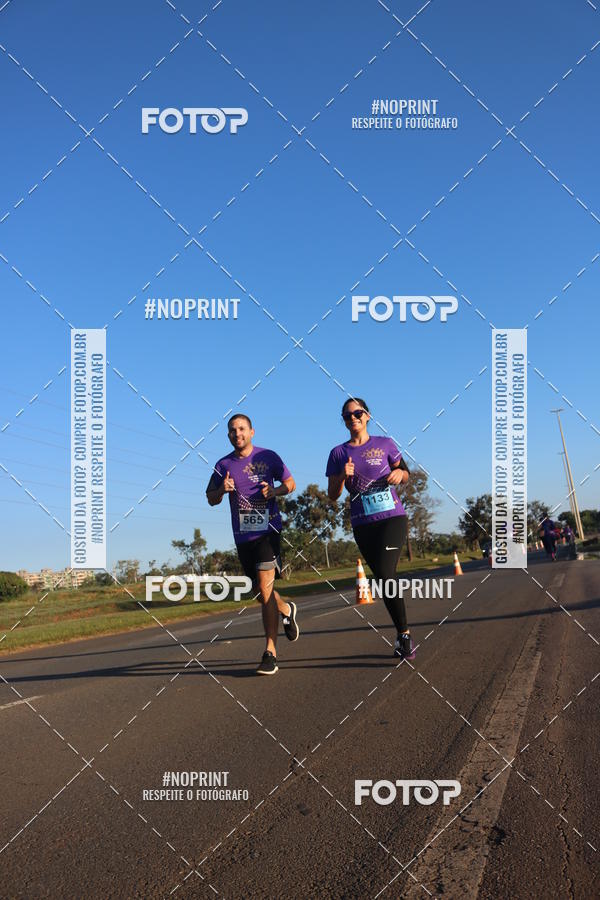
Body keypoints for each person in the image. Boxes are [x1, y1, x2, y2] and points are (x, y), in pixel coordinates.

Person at [206, 414, 299, 675]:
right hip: (242, 536)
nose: (238, 434)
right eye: (233, 430)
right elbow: (210, 499)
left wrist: (275, 491)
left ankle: (270, 652)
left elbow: (290, 483)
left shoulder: (268, 457)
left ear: (252, 432)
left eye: (242, 429)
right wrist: (221, 489)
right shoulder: (222, 464)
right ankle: (287, 609)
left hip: (268, 532)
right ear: (228, 436)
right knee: (260, 592)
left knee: (265, 588)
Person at [326, 397, 414, 660]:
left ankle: (405, 636)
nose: (353, 418)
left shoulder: (385, 444)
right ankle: (401, 633)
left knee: (387, 572)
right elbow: (332, 494)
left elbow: (405, 472)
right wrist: (342, 475)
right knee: (383, 579)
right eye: (347, 415)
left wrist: (401, 475)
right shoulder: (338, 453)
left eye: (357, 413)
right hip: (363, 524)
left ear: (367, 416)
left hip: (392, 519)